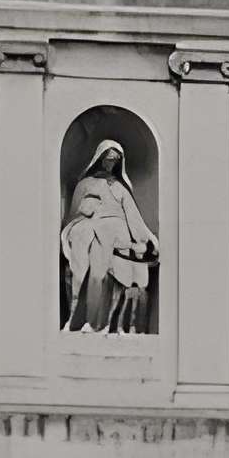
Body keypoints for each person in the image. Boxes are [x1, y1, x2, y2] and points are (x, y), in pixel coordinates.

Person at [61, 139, 157, 333]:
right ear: (99, 158)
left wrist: (146, 239)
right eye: (108, 159)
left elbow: (134, 218)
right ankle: (81, 318)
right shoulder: (85, 184)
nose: (110, 163)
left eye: (115, 160)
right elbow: (75, 214)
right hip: (92, 226)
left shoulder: (120, 187)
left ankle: (106, 323)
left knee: (112, 241)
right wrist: (88, 214)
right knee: (86, 235)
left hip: (117, 231)